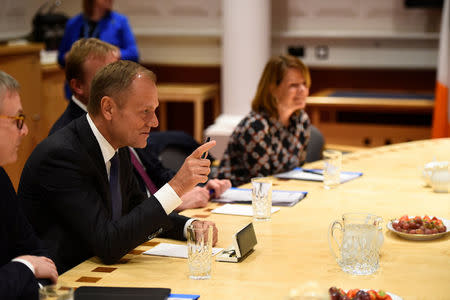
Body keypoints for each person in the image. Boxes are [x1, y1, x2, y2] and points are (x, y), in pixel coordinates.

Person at [18, 61, 218, 274]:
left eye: (155, 110)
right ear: (108, 108)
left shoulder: (117, 144)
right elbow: (109, 244)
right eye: (145, 111)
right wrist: (177, 186)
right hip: (63, 282)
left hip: (97, 271)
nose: (155, 121)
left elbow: (137, 209)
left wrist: (189, 227)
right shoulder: (62, 156)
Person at [50, 38, 231, 211]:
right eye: (105, 76)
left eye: (119, 72)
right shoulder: (72, 141)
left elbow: (155, 173)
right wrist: (173, 200)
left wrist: (193, 186)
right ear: (78, 86)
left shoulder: (124, 119)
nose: (120, 82)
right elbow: (112, 219)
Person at [0, 71, 58, 299]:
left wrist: (29, 276)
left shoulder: (1, 178)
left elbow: (39, 255)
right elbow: (31, 262)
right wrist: (25, 267)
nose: (24, 131)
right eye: (17, 120)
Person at [217, 55, 311, 186]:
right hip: (236, 198)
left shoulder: (302, 120)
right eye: (294, 85)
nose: (303, 90)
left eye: (304, 83)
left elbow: (296, 171)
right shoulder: (256, 126)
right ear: (273, 88)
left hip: (280, 194)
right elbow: (261, 183)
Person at [58, 0, 139, 99]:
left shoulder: (120, 21)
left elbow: (134, 54)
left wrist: (115, 54)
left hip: (109, 86)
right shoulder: (73, 23)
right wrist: (67, 56)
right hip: (79, 89)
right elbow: (60, 58)